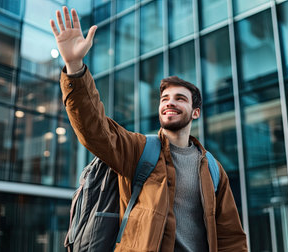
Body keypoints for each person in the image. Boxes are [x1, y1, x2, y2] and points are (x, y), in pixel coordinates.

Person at [50, 6, 248, 252]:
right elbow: (94, 129)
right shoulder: (139, 150)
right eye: (165, 99)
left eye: (180, 98)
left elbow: (231, 238)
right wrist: (75, 66)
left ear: (196, 112)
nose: (170, 103)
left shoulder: (214, 171)